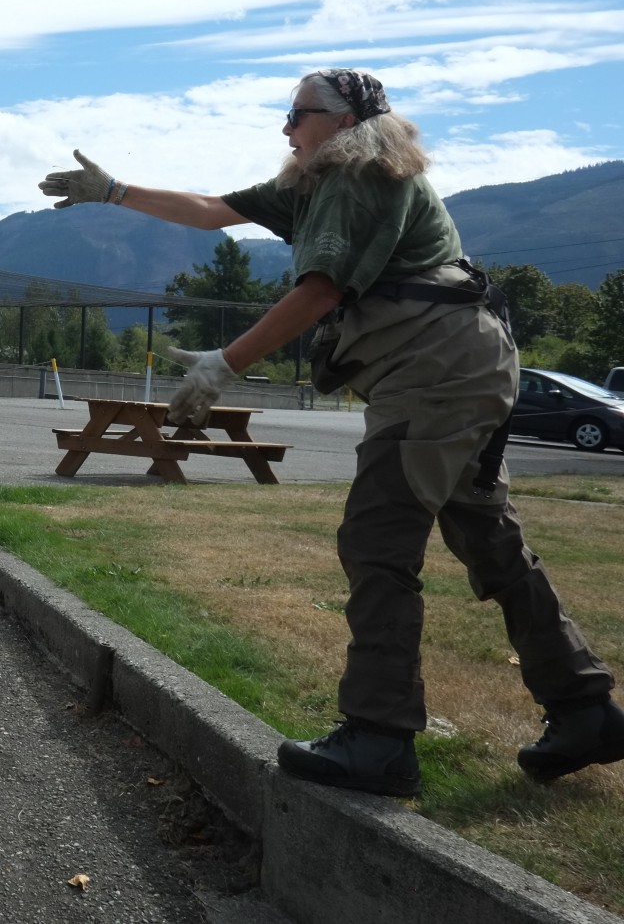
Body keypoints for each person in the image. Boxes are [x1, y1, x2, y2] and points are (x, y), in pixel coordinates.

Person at [39, 68, 624, 797]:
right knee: (486, 535)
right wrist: (116, 190)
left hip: (434, 371)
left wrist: (225, 364)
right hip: (458, 365)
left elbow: (320, 291)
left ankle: (379, 738)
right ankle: (585, 708)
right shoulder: (321, 181)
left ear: (343, 120)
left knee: (378, 537)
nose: (286, 128)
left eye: (298, 114)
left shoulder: (359, 173)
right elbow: (214, 209)